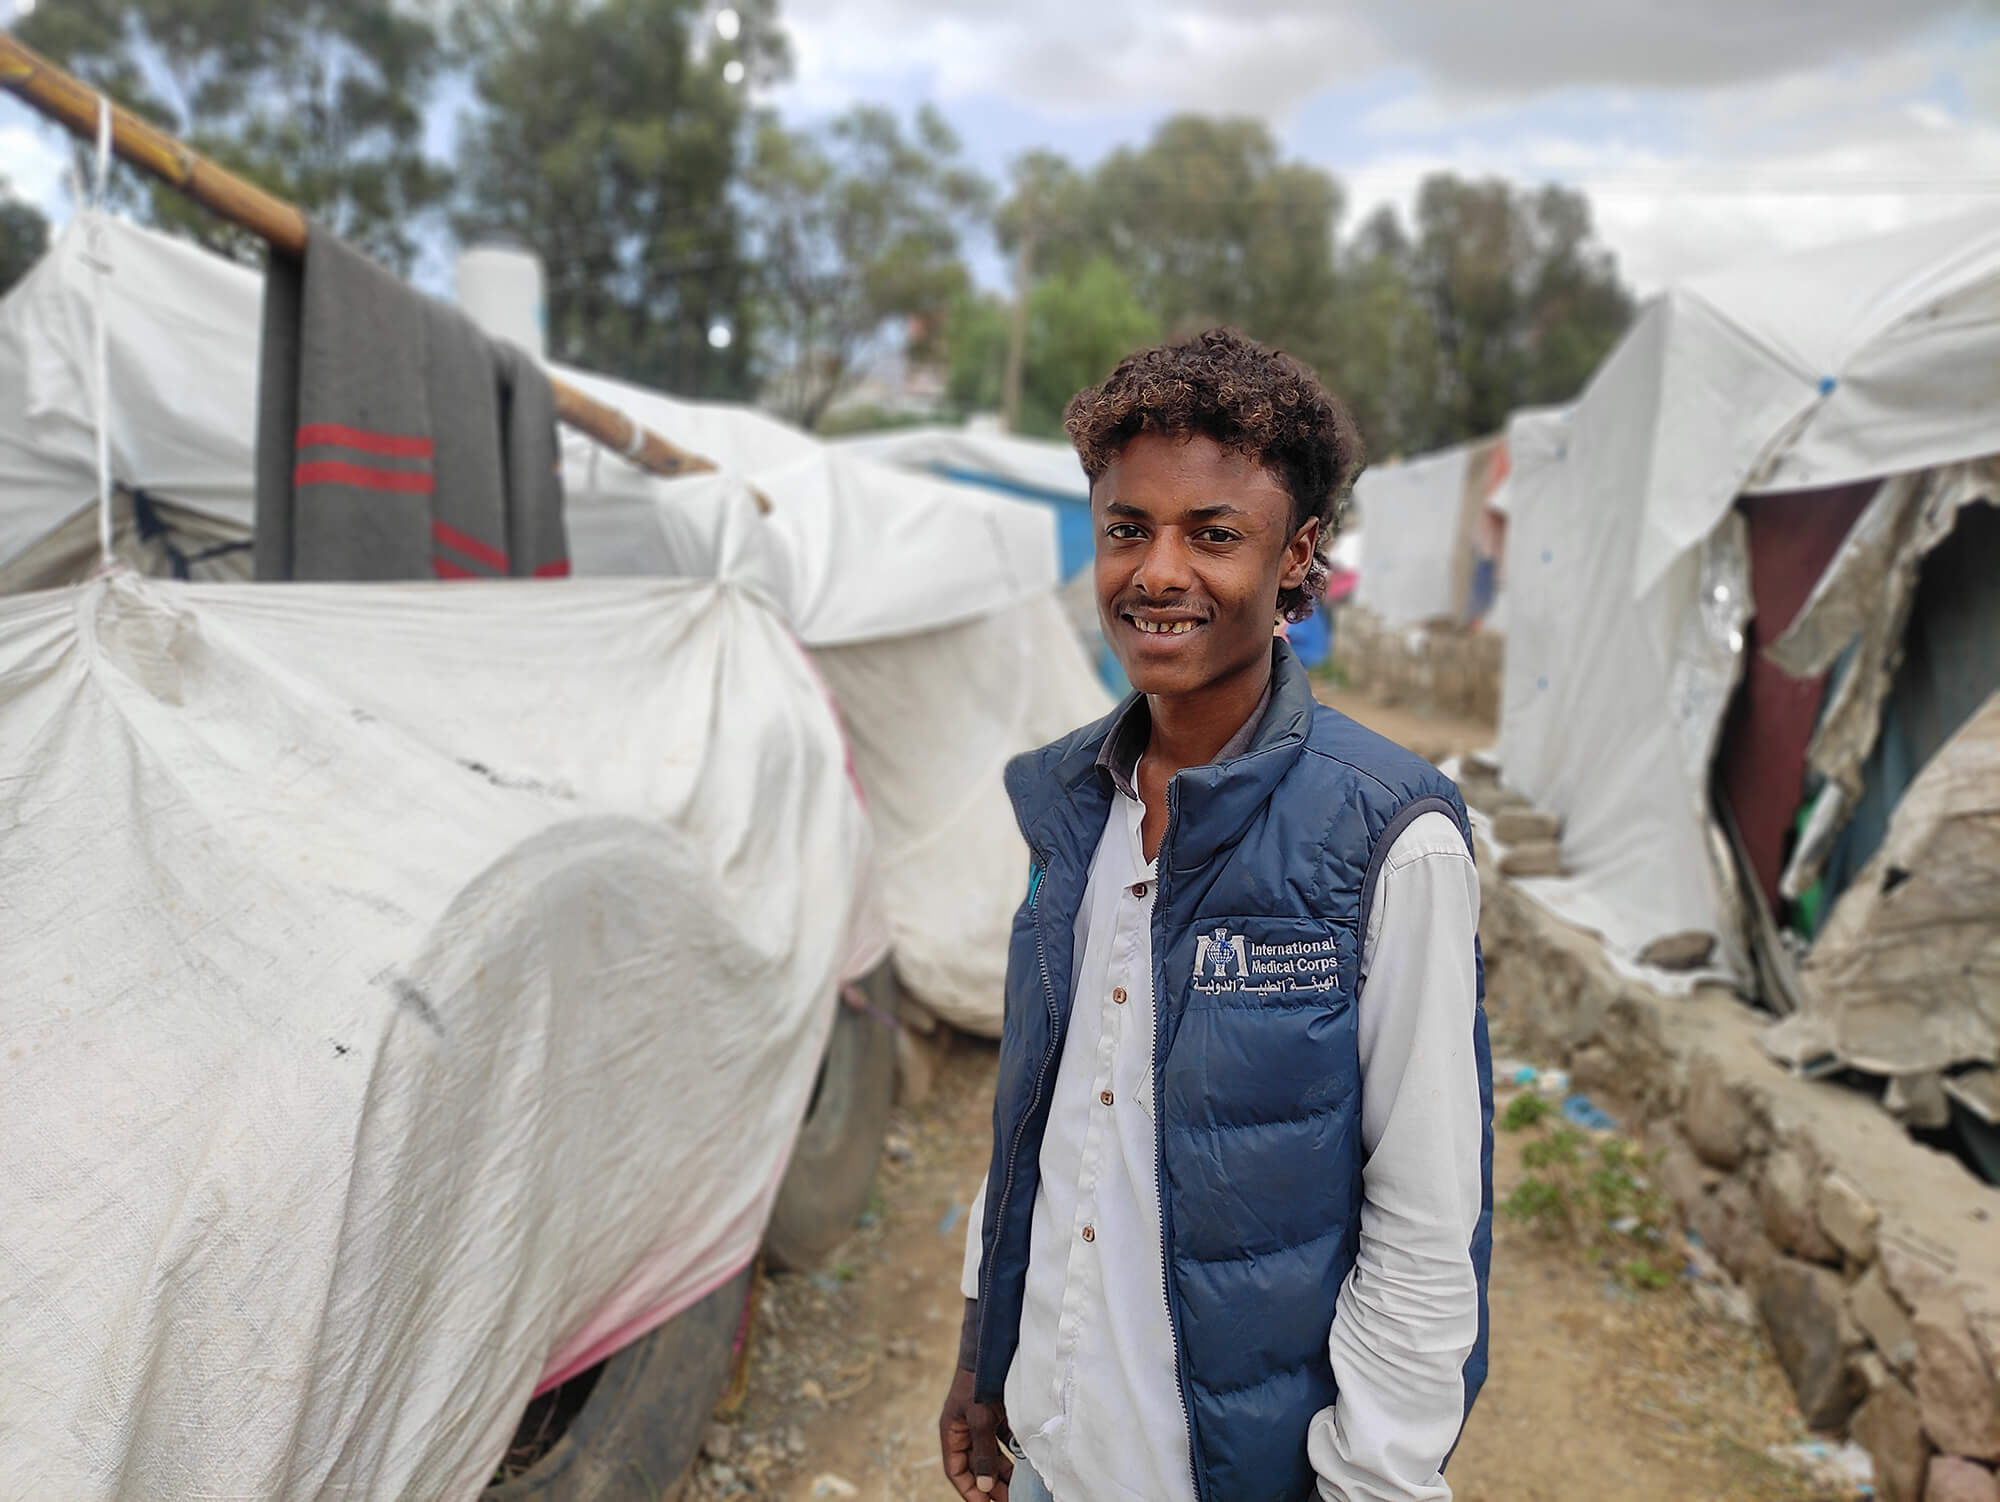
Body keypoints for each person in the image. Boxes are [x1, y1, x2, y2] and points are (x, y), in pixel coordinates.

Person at [937, 328, 1492, 1502]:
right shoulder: (1068, 804)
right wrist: (981, 1351)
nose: (1156, 570)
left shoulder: (1389, 838)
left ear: (1296, 559)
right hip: (1055, 1441)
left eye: (1213, 534)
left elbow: (1425, 1212)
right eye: (1127, 527)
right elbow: (1040, 1110)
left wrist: (1373, 1476)